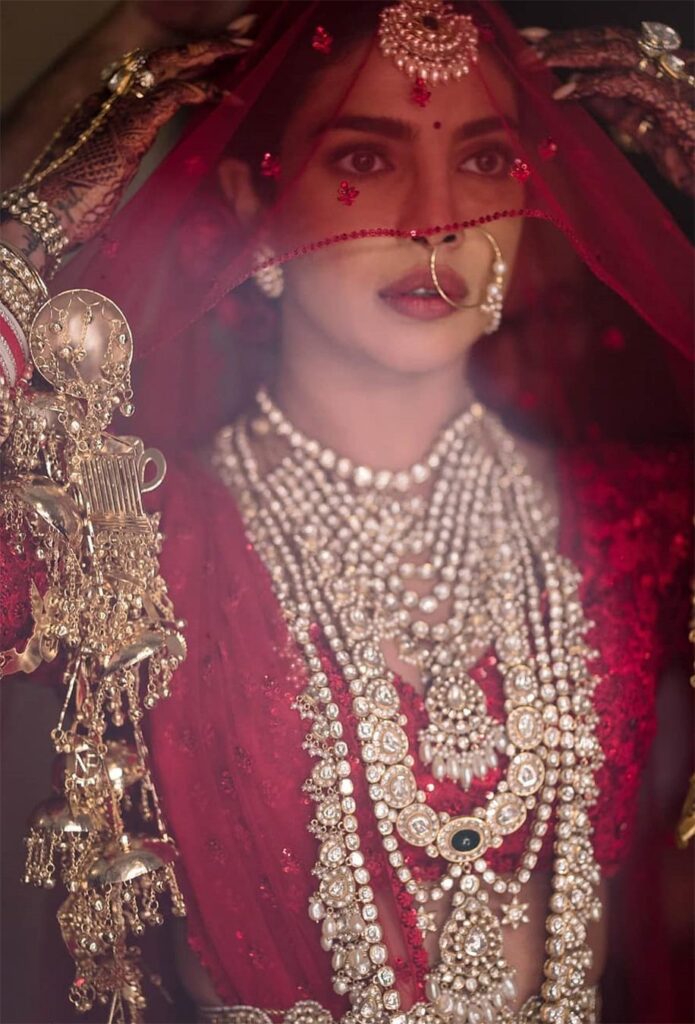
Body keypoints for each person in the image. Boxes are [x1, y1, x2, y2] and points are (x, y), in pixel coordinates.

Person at [0, 3, 692, 1022]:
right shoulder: (128, 534)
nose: (434, 217)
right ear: (248, 209)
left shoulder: (630, 516)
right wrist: (31, 219)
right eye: (363, 162)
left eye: (486, 159)